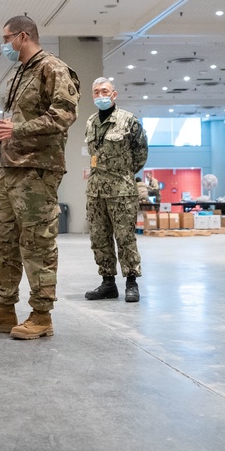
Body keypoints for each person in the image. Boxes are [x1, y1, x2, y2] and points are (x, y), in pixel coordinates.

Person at [0, 15, 80, 340]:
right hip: (11, 168)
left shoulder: (53, 68)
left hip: (38, 171)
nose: (4, 45)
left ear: (23, 35)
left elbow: (64, 114)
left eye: (6, 38)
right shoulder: (20, 74)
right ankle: (4, 308)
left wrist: (18, 129)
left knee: (36, 242)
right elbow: (18, 121)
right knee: (1, 240)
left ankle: (41, 315)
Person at [83, 78, 148, 303]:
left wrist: (124, 175)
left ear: (114, 94)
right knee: (99, 238)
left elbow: (140, 153)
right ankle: (108, 283)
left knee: (125, 237)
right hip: (96, 191)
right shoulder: (90, 122)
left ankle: (132, 281)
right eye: (96, 92)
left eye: (105, 91)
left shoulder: (128, 120)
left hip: (122, 191)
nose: (100, 95)